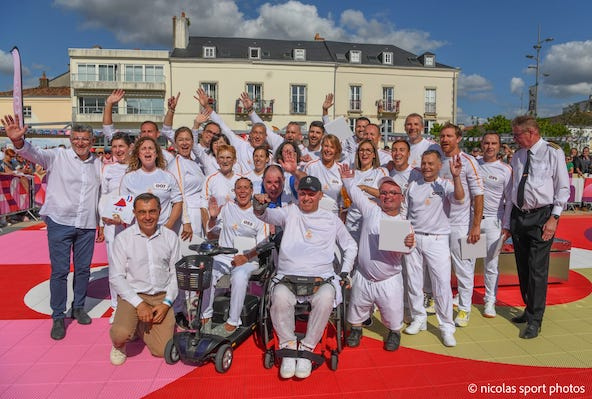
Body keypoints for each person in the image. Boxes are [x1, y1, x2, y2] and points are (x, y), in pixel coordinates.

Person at [2, 114, 102, 340]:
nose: (80, 142)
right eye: (76, 138)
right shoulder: (57, 156)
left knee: (84, 269)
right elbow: (33, 153)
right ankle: (58, 315)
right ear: (70, 139)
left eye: (85, 138)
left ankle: (78, 307)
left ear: (92, 141)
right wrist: (18, 142)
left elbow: (102, 194)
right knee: (60, 271)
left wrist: (101, 222)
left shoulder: (98, 164)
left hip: (86, 224)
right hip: (60, 222)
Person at [253, 175, 357, 379]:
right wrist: (259, 205)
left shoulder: (331, 219)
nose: (306, 198)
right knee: (280, 297)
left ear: (319, 195)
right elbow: (266, 216)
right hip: (287, 277)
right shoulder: (290, 211)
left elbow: (350, 245)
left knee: (326, 298)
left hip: (321, 278)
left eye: (311, 194)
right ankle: (288, 345)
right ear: (297, 194)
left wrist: (345, 271)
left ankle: (308, 347)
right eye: (302, 193)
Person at [502, 116, 569, 339]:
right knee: (522, 267)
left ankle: (535, 319)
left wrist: (554, 218)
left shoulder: (552, 152)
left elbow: (562, 187)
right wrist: (509, 221)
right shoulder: (519, 156)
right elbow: (513, 189)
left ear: (531, 132)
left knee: (537, 270)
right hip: (520, 216)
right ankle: (528, 308)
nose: (515, 139)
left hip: (542, 216)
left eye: (517, 135)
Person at [340, 168, 414, 351]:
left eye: (392, 193)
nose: (388, 196)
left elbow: (409, 248)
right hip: (364, 276)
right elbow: (356, 195)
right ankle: (356, 330)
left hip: (388, 280)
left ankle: (394, 333)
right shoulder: (371, 210)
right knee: (357, 309)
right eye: (384, 192)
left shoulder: (404, 223)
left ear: (401, 197)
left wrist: (410, 243)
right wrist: (348, 180)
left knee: (393, 315)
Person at [401, 150, 464, 347]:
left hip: (438, 239)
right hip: (414, 239)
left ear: (438, 166)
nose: (427, 167)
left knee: (442, 284)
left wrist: (456, 176)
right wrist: (404, 234)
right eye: (424, 163)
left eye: (431, 164)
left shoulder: (445, 185)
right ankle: (419, 318)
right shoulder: (412, 186)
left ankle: (446, 326)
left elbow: (460, 198)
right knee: (413, 282)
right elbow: (404, 213)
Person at [109, 193, 180, 365]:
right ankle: (120, 344)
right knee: (120, 334)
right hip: (133, 296)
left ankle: (140, 326)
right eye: (142, 212)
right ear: (134, 213)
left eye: (152, 211)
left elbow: (176, 274)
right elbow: (116, 277)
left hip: (160, 298)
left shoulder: (171, 237)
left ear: (160, 211)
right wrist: (139, 305)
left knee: (163, 351)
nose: (147, 217)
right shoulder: (123, 239)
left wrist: (166, 303)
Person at [202, 178, 269, 333]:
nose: (242, 191)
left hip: (248, 258)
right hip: (224, 255)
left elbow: (263, 244)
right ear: (235, 191)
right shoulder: (227, 208)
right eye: (239, 188)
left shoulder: (260, 213)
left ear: (252, 191)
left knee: (239, 277)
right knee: (208, 271)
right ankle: (205, 314)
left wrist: (245, 257)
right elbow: (211, 234)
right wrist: (212, 218)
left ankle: (233, 320)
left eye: (246, 188)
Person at [439, 123, 484, 327]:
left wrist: (476, 226)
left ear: (458, 139)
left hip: (462, 226)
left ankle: (465, 309)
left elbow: (478, 195)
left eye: (449, 136)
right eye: (442, 136)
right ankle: (441, 302)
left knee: (464, 269)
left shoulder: (468, 161)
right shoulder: (438, 160)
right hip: (439, 226)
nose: (445, 139)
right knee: (439, 268)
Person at [98, 132, 134, 323]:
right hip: (112, 224)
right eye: (114, 147)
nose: (118, 150)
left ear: (130, 147)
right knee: (115, 266)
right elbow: (102, 196)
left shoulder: (137, 168)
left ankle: (134, 304)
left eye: (121, 146)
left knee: (133, 265)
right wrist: (101, 223)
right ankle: (116, 306)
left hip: (132, 223)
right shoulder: (107, 169)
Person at [478, 133, 512, 318]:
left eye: (493, 143)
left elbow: (510, 200)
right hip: (473, 222)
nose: (489, 146)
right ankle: (463, 294)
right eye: (486, 143)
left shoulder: (505, 170)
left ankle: (490, 300)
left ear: (499, 146)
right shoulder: (473, 164)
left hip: (493, 221)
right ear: (481, 144)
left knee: (491, 263)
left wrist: (506, 225)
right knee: (468, 261)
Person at [120, 137, 184, 230]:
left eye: (150, 148)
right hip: (137, 232)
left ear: (157, 153)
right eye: (143, 149)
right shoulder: (128, 178)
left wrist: (169, 226)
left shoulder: (168, 177)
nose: (147, 151)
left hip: (163, 230)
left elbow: (178, 202)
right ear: (138, 154)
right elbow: (123, 207)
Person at [102, 89, 175, 164]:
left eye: (150, 131)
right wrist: (109, 104)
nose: (146, 134)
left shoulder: (166, 156)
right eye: (143, 131)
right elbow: (108, 130)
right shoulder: (131, 152)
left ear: (158, 133)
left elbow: (167, 130)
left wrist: (171, 110)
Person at [341, 139, 387, 242]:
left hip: (372, 221)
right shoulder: (351, 173)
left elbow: (385, 195)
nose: (364, 153)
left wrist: (364, 188)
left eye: (368, 150)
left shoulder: (380, 172)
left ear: (374, 154)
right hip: (352, 221)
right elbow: (345, 201)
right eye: (361, 150)